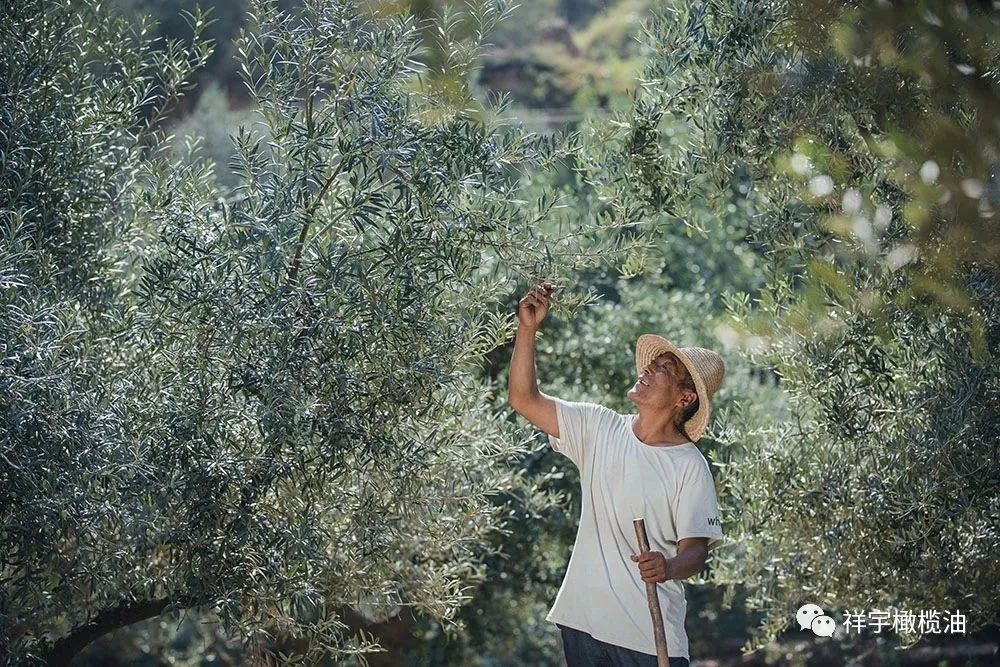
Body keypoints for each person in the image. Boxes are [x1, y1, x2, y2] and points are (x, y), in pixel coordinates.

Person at [508, 282, 727, 667]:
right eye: (651, 364)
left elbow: (695, 552)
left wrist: (667, 568)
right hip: (583, 624)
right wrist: (527, 330)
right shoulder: (599, 426)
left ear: (685, 398)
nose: (648, 370)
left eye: (664, 369)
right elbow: (523, 399)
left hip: (648, 639)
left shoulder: (689, 465)